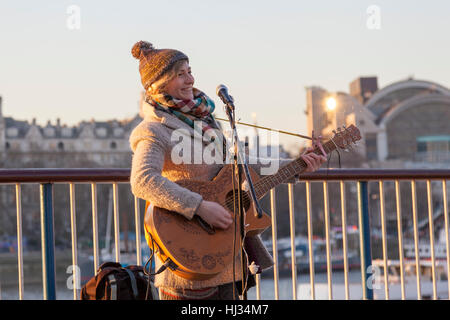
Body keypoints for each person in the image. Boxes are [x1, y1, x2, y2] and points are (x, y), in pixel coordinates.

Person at [129, 40, 327, 300]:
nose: (190, 79)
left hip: (228, 257)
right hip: (189, 263)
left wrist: (298, 163)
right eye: (180, 74)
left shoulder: (205, 120)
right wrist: (199, 206)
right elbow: (142, 180)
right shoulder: (154, 129)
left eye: (189, 71)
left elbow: (240, 165)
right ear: (159, 85)